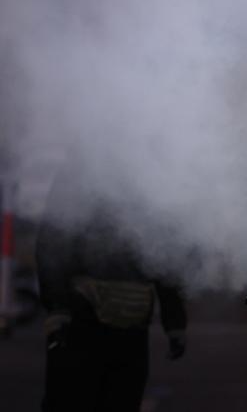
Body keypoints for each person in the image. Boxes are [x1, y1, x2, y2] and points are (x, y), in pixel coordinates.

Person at [36, 159, 187, 412]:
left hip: (125, 322)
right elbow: (53, 240)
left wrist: (175, 322)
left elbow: (163, 250)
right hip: (85, 319)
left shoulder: (150, 173)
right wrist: (58, 308)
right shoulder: (80, 171)